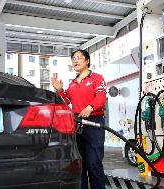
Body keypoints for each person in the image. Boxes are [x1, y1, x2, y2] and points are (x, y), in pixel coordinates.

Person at [51, 49, 106, 189]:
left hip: (94, 123)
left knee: (94, 164)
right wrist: (59, 90)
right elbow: (66, 101)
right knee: (79, 165)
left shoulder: (96, 78)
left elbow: (101, 96)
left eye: (79, 58)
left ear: (87, 61)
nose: (75, 60)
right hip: (77, 125)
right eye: (73, 58)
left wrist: (90, 107)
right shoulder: (73, 83)